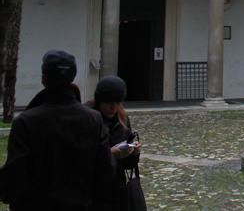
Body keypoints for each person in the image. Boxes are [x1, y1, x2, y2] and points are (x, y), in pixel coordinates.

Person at [0, 50, 116, 210]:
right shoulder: (93, 119)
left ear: (43, 79)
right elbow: (105, 169)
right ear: (73, 78)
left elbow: (15, 176)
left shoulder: (26, 121)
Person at [86, 75, 142, 211]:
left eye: (118, 103)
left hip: (117, 191)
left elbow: (127, 166)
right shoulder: (87, 119)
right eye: (109, 102)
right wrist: (110, 154)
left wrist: (133, 153)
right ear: (99, 100)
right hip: (93, 193)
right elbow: (80, 161)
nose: (113, 107)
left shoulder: (122, 120)